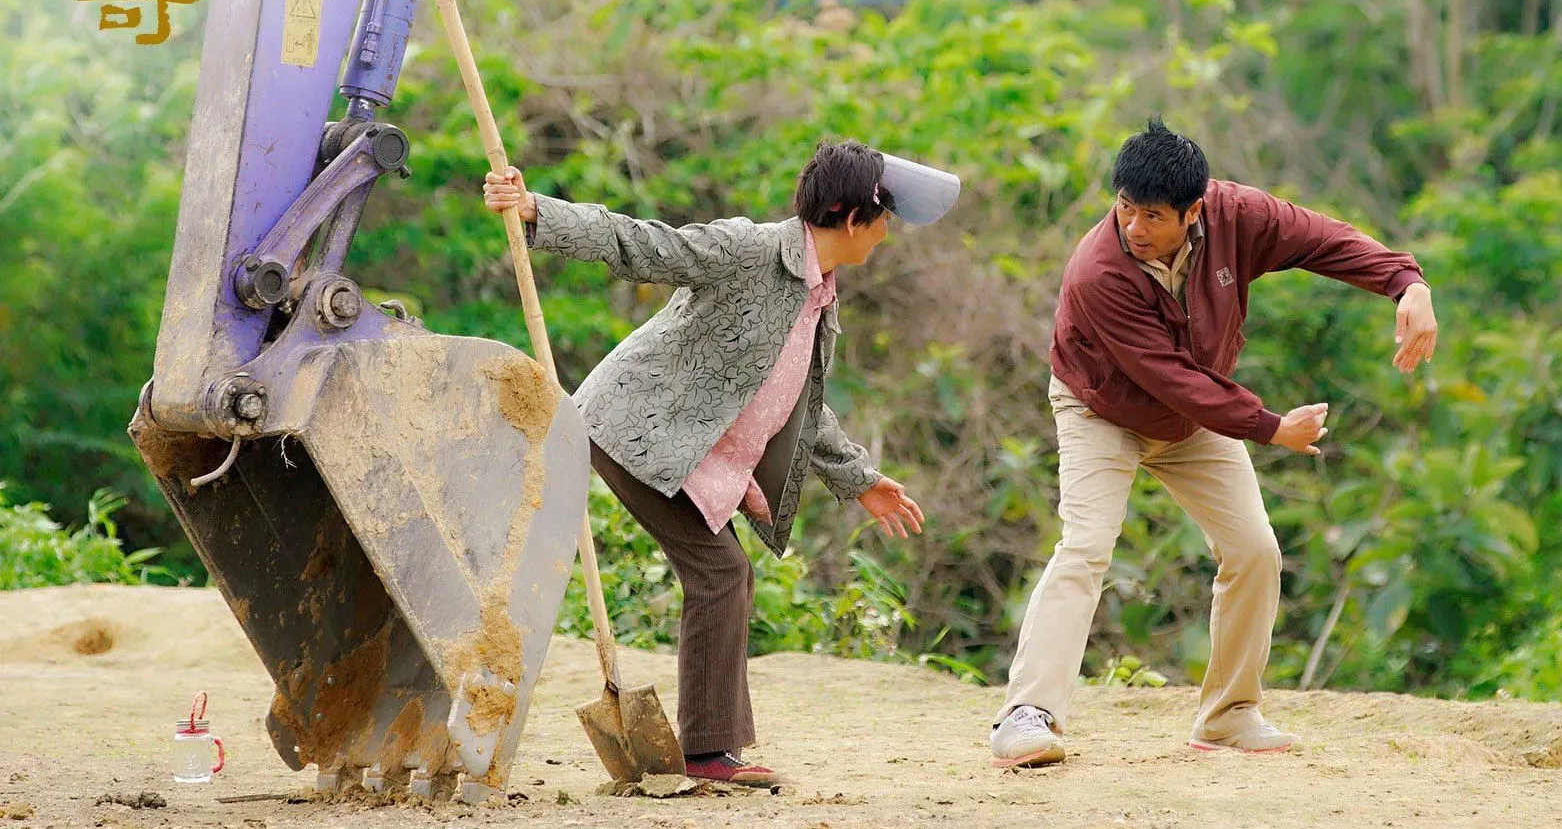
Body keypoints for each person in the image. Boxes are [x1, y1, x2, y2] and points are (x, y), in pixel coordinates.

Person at [484, 139, 959, 786]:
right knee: (721, 572)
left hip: (691, 448)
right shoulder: (751, 249)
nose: (885, 235)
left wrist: (862, 480)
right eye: (884, 220)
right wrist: (538, 210)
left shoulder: (819, 292)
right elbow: (644, 243)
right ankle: (710, 755)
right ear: (852, 217)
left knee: (727, 575)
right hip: (633, 427)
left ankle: (715, 748)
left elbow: (800, 402)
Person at [990, 117, 1438, 768]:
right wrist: (1269, 425)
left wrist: (1407, 282)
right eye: (1124, 208)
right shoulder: (1098, 271)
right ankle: (1026, 715)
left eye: (1151, 214)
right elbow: (1170, 378)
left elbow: (1321, 238)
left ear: (1193, 210)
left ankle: (1228, 715)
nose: (1134, 227)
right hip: (1101, 409)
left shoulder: (1236, 217)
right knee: (1086, 545)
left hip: (1192, 416)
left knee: (1255, 549)